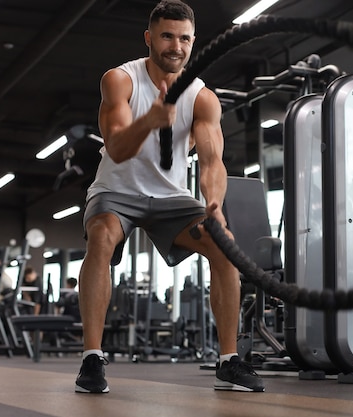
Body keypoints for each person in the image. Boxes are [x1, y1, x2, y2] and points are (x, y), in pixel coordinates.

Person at [75, 0, 264, 394]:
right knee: (101, 237)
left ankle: (228, 360)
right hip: (117, 191)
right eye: (166, 36)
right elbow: (118, 147)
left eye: (184, 38)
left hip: (171, 198)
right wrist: (150, 119)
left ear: (193, 42)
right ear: (149, 38)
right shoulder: (120, 80)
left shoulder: (201, 97)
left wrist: (214, 202)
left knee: (224, 246)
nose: (175, 46)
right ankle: (92, 359)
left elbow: (212, 160)